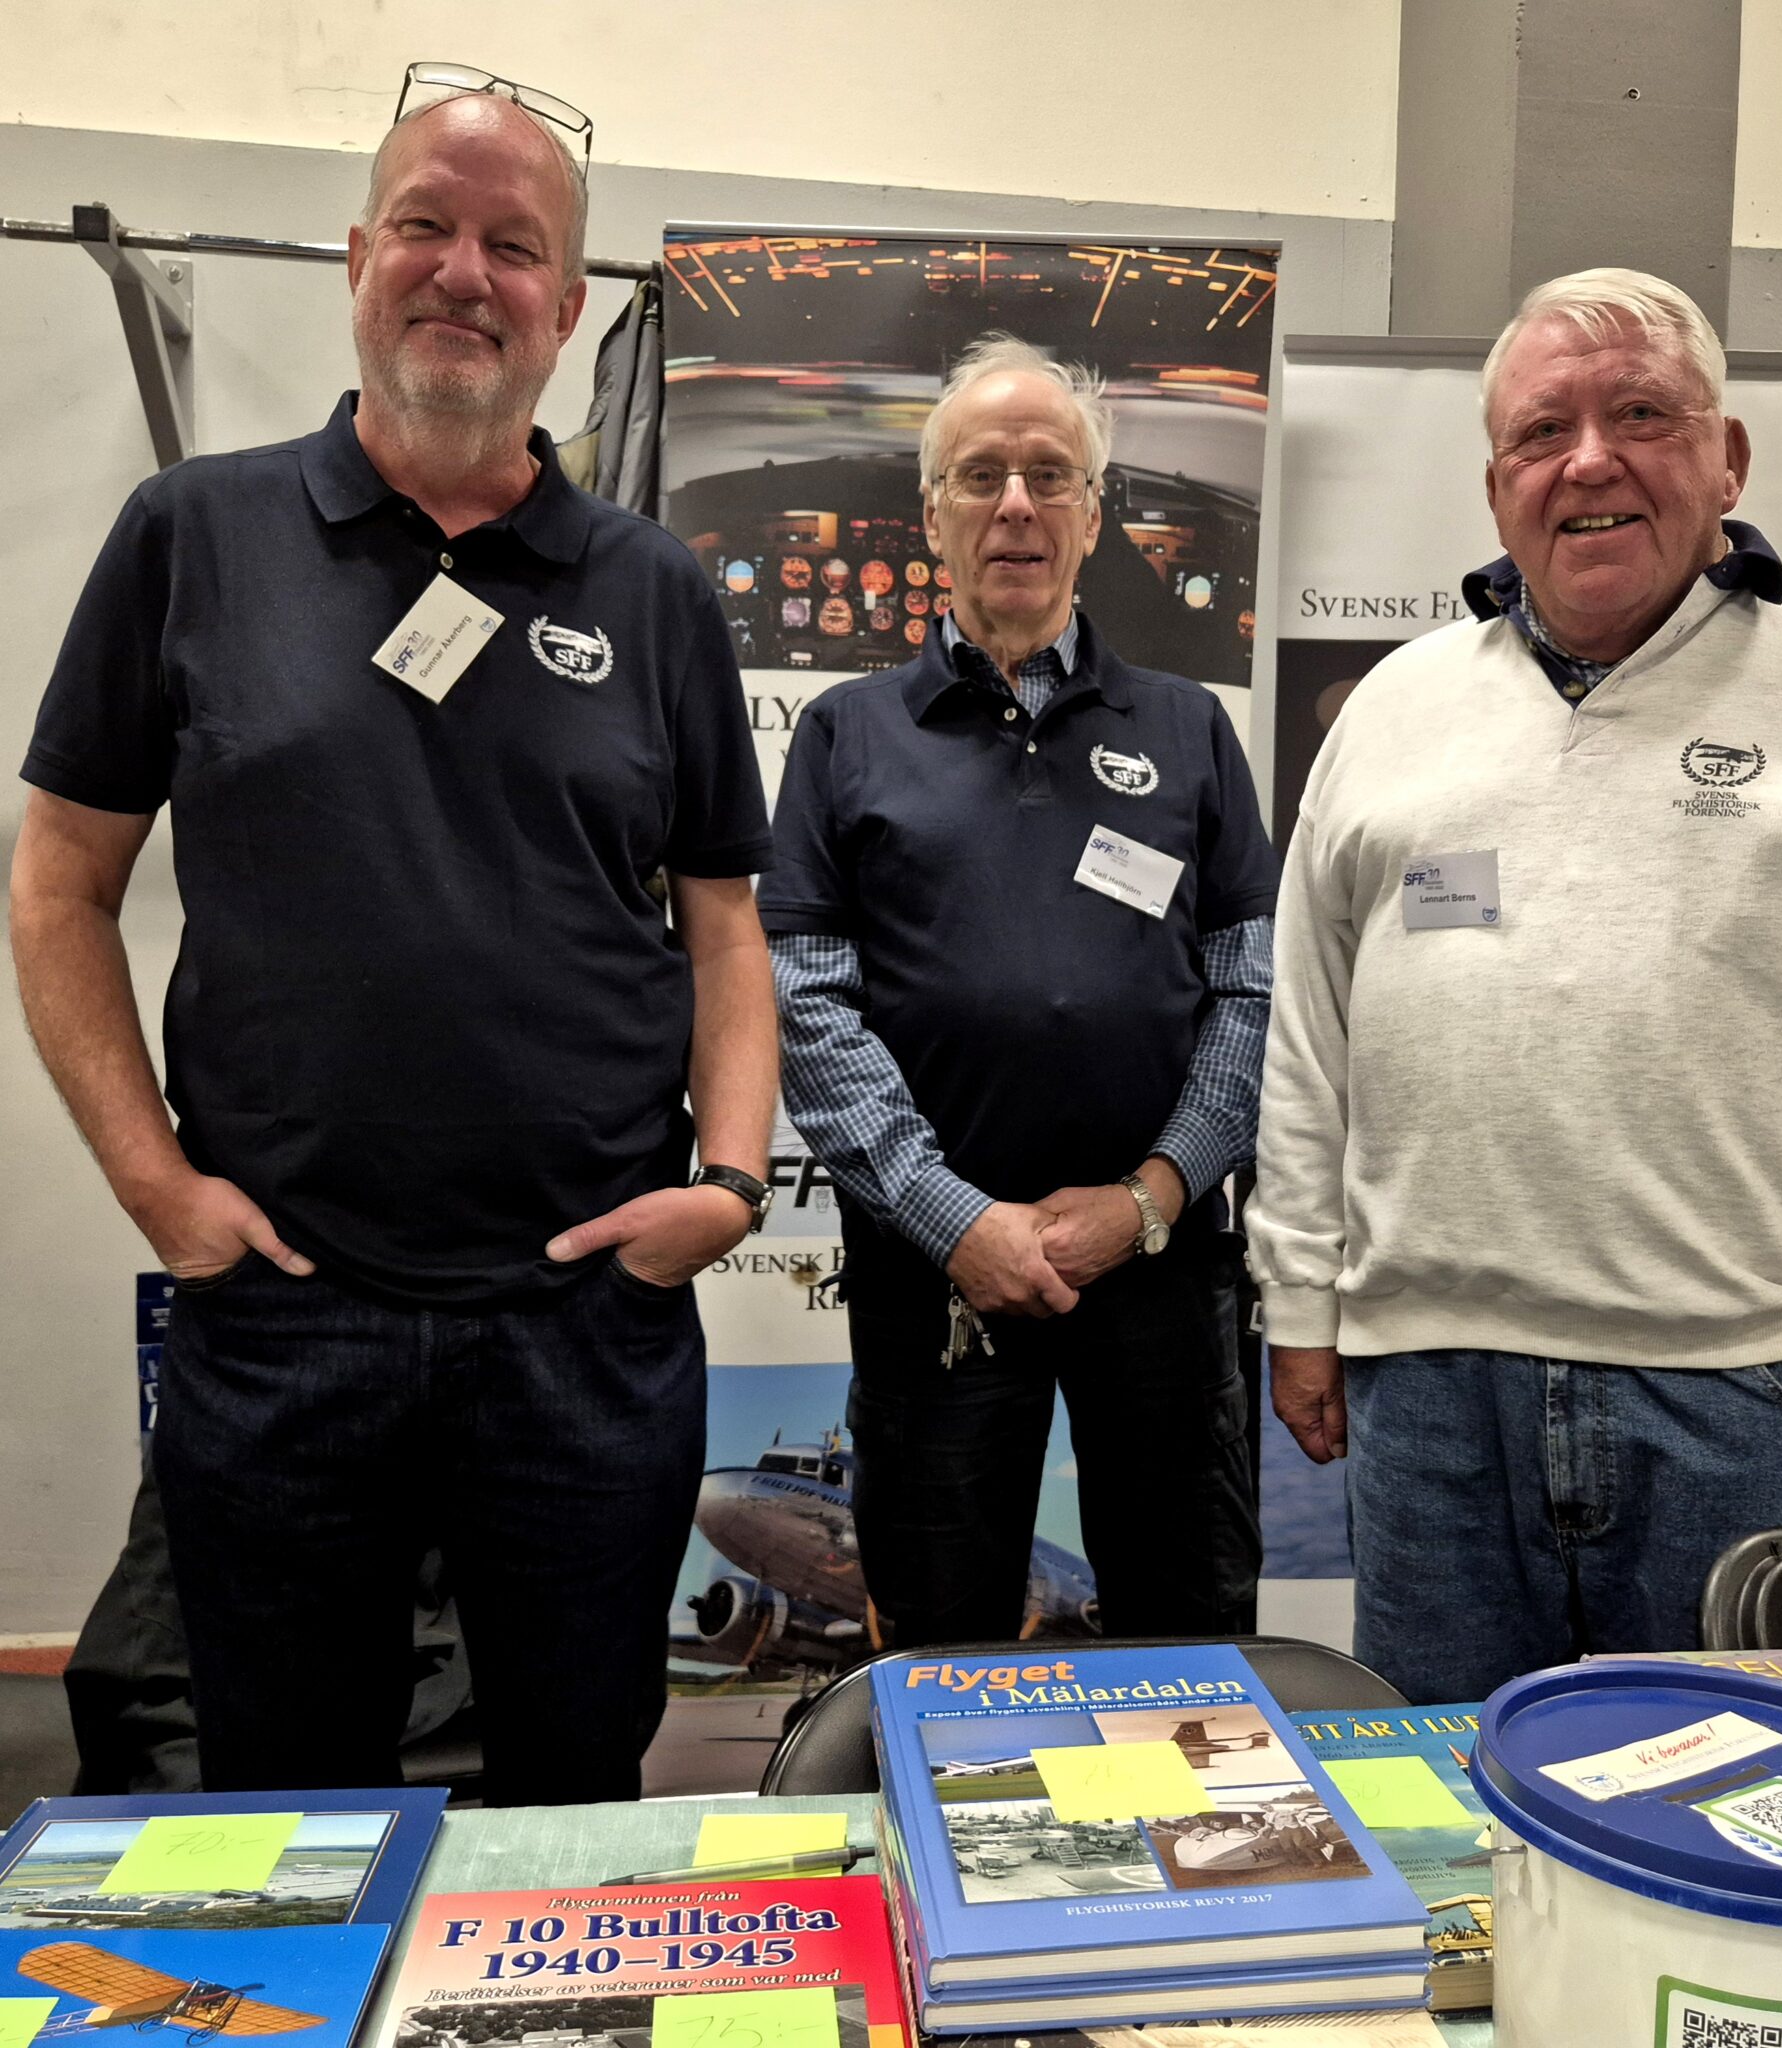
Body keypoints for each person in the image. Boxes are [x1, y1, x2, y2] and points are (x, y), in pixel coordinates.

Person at [10, 75, 778, 1799]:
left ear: (565, 310)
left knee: (574, 1797)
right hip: (288, 1316)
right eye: (426, 224)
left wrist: (729, 1184)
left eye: (515, 244)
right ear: (359, 258)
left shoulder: (654, 590)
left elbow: (726, 926)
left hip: (585, 1321)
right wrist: (152, 1184)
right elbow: (58, 881)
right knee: (289, 1807)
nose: (463, 272)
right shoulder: (190, 537)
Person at [1247, 267, 1782, 1703]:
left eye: (1643, 416)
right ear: (1497, 487)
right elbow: (1311, 1037)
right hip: (1431, 1405)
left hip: (1757, 1410)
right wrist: (1299, 1305)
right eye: (1543, 432)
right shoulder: (1395, 708)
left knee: (1746, 1814)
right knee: (1451, 1807)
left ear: (1729, 457)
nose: (1590, 461)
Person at [760, 333, 1274, 1646]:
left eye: (1051, 476)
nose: (1016, 506)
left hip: (1159, 1273)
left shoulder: (1190, 730)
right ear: (932, 513)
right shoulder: (846, 735)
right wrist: (957, 1222)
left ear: (1094, 515)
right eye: (980, 476)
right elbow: (807, 1004)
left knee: (1190, 1639)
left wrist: (1152, 1199)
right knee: (944, 1649)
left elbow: (1252, 994)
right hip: (936, 1277)